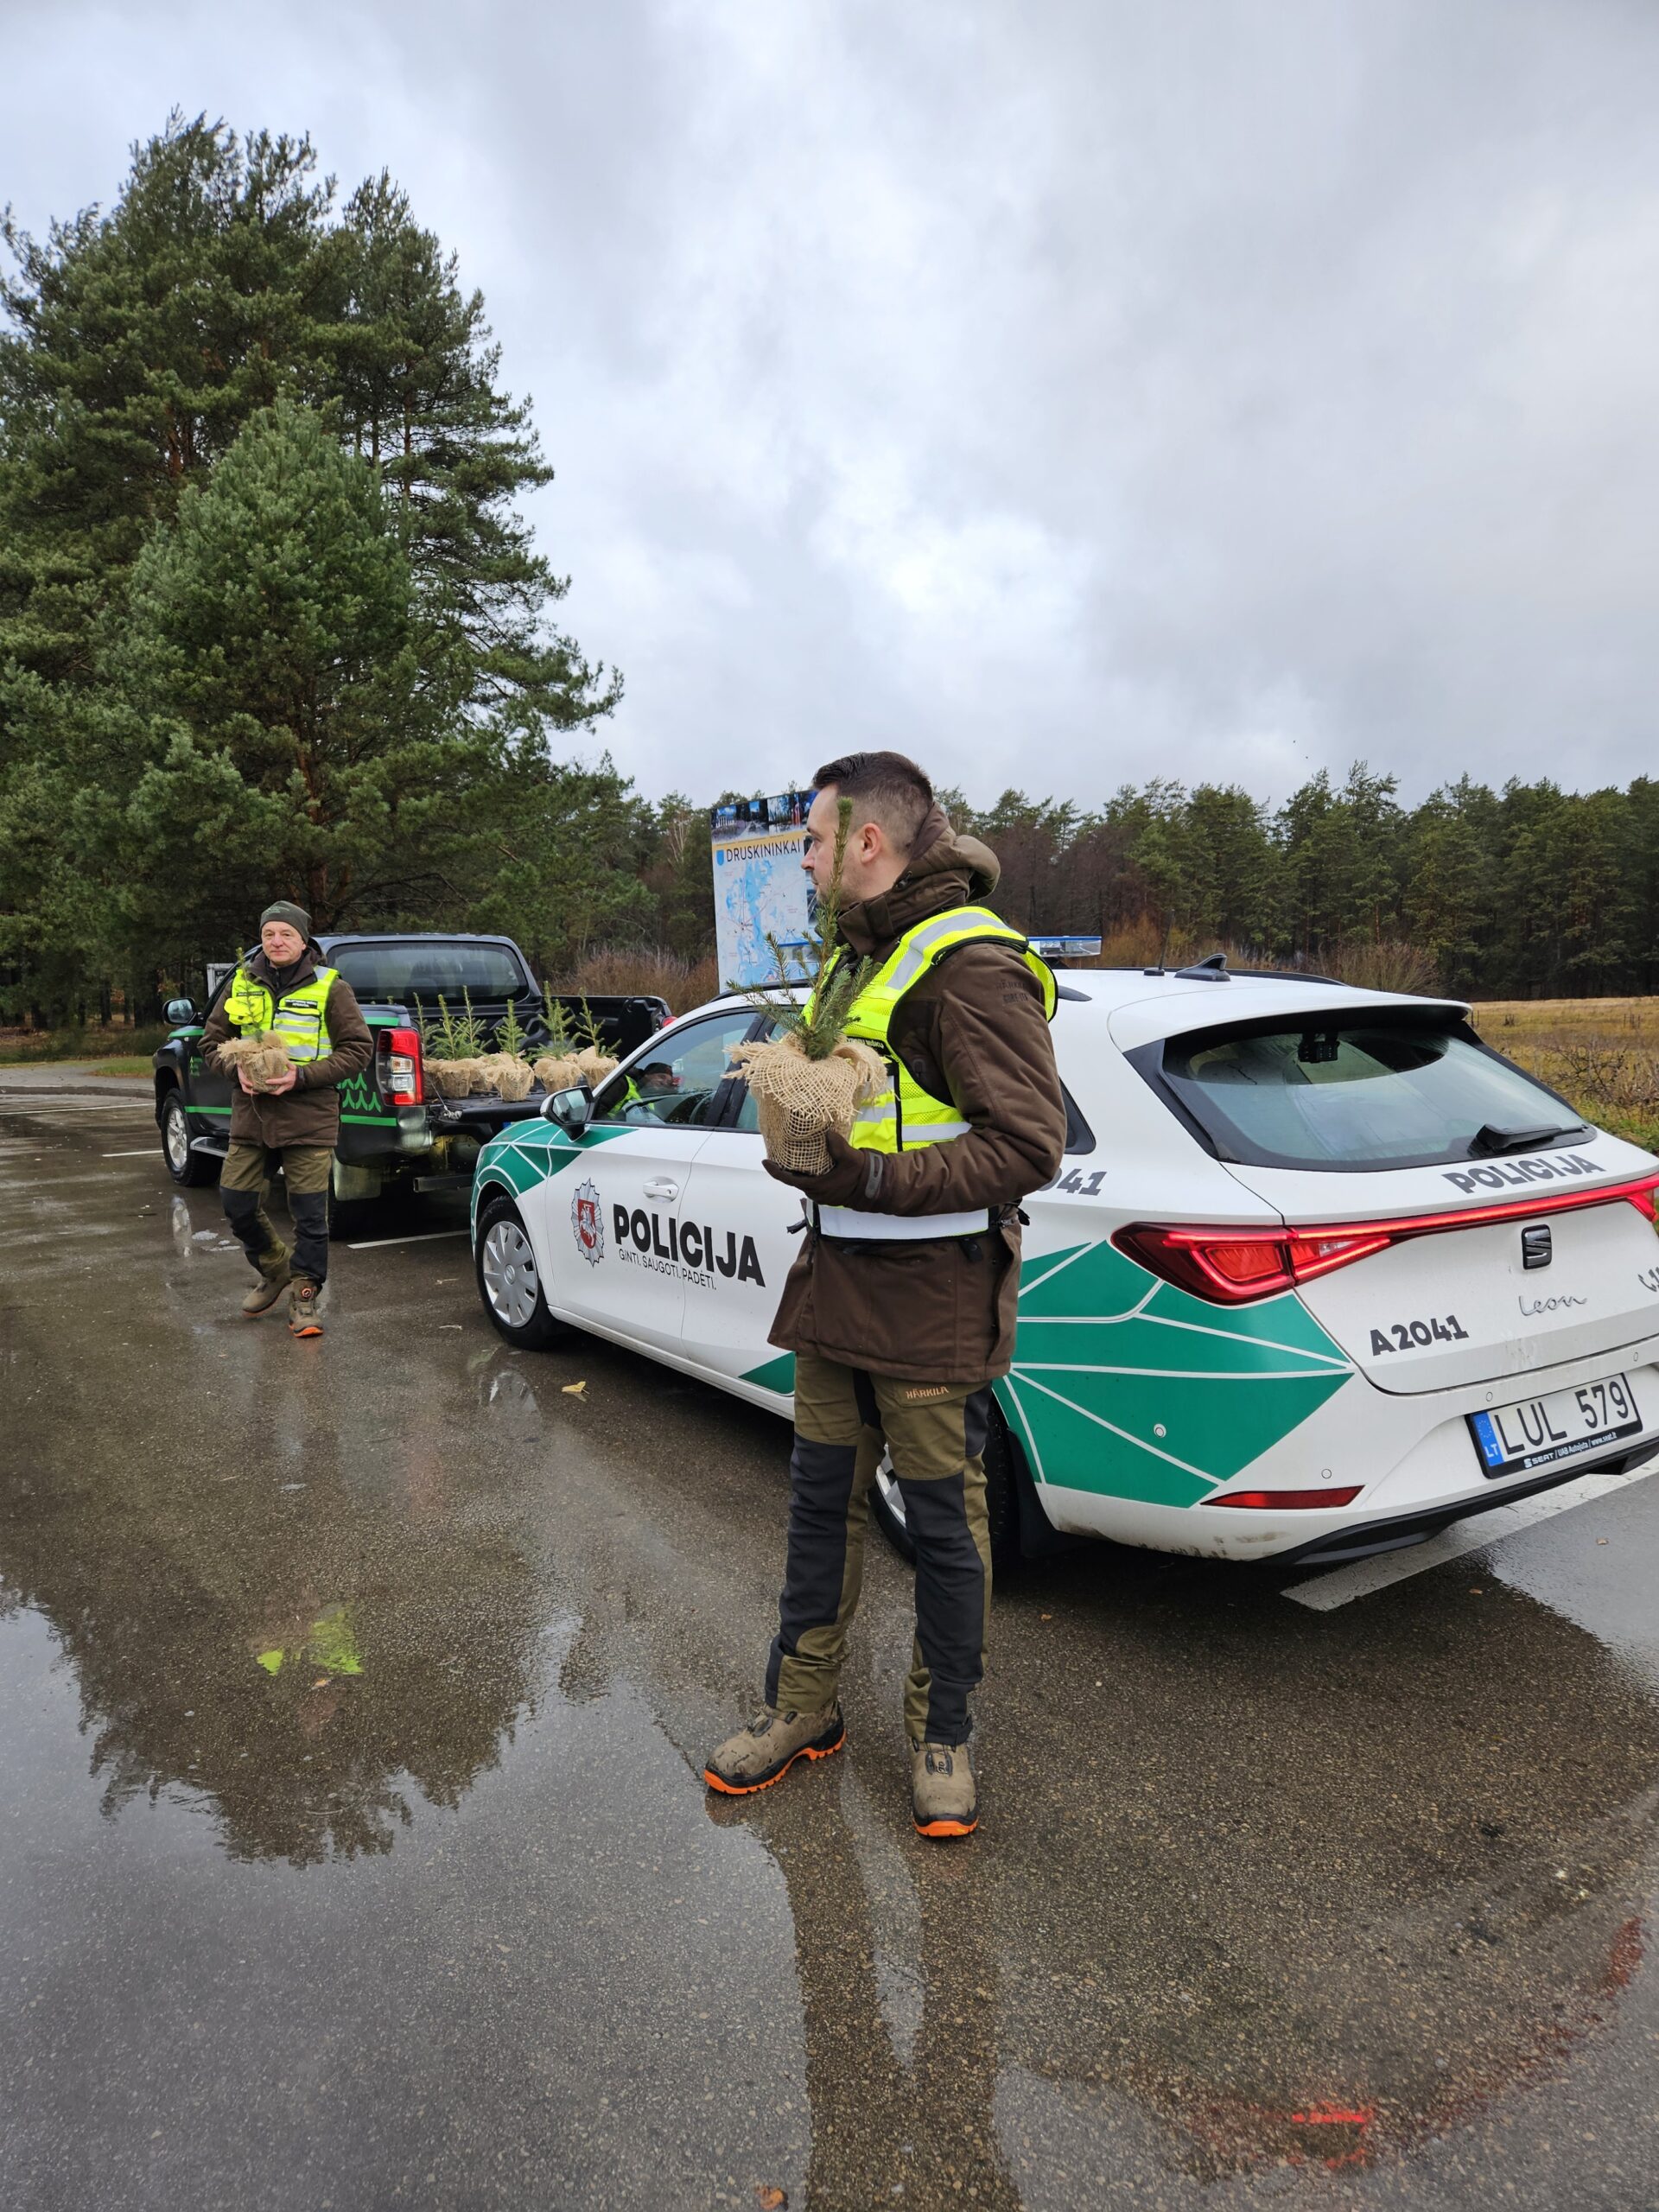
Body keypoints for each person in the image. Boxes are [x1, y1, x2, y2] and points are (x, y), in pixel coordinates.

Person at [704, 752, 1066, 1837]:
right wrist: (799, 1137)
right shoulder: (851, 960)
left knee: (945, 1531)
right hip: (835, 1284)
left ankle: (942, 1732)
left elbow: (1027, 1145)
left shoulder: (972, 966)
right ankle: (804, 1705)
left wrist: (866, 1180)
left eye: (815, 839)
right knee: (821, 1505)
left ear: (869, 841)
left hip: (934, 1301)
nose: (804, 859)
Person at [199, 901, 373, 1338]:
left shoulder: (330, 986)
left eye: (286, 934)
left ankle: (305, 1297)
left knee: (310, 1216)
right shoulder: (241, 982)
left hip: (308, 1117)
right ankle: (276, 1268)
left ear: (303, 940)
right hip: (253, 1116)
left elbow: (358, 1050)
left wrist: (302, 1077)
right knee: (236, 1201)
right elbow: (211, 1043)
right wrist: (234, 1069)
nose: (276, 942)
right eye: (269, 934)